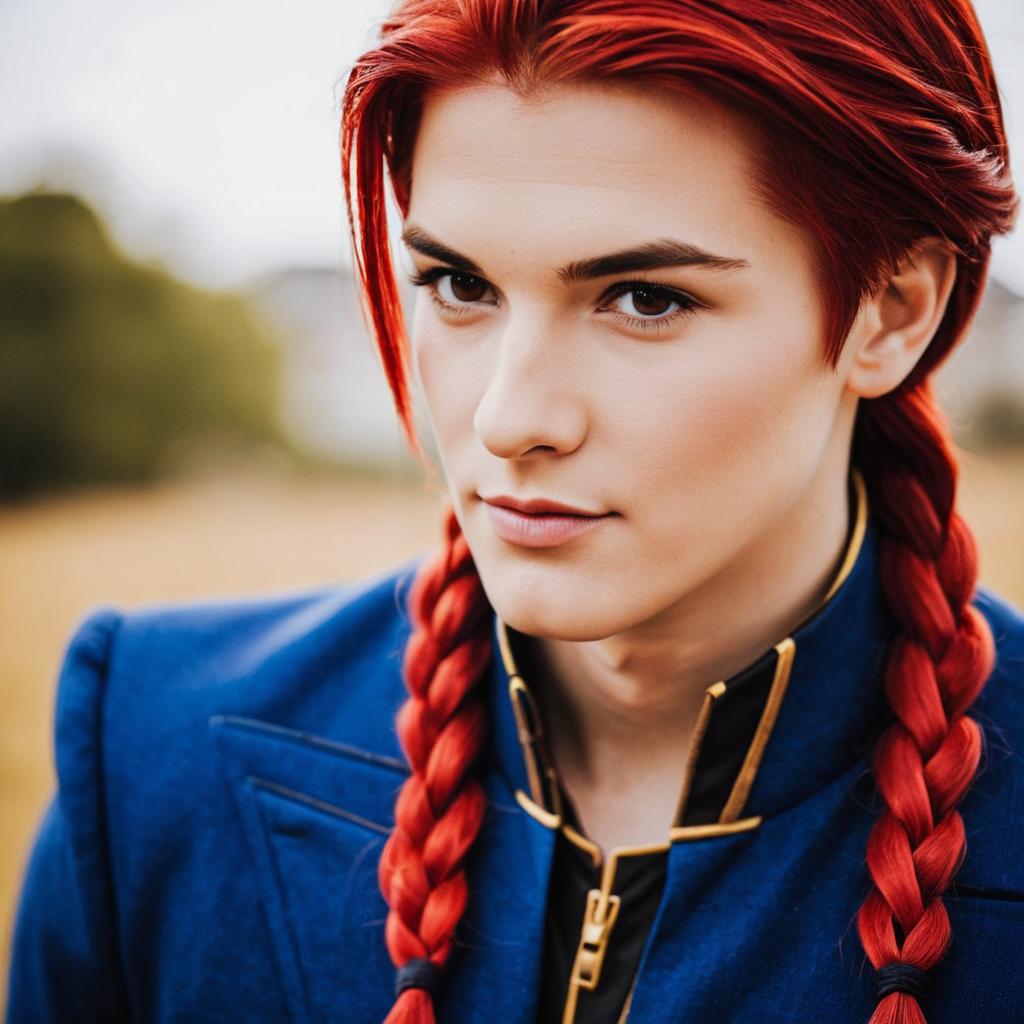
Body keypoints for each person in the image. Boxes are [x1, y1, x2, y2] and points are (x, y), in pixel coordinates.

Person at [5, 1, 1024, 1022]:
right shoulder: (158, 760)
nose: (505, 417)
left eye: (645, 298)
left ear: (892, 308)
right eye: (458, 283)